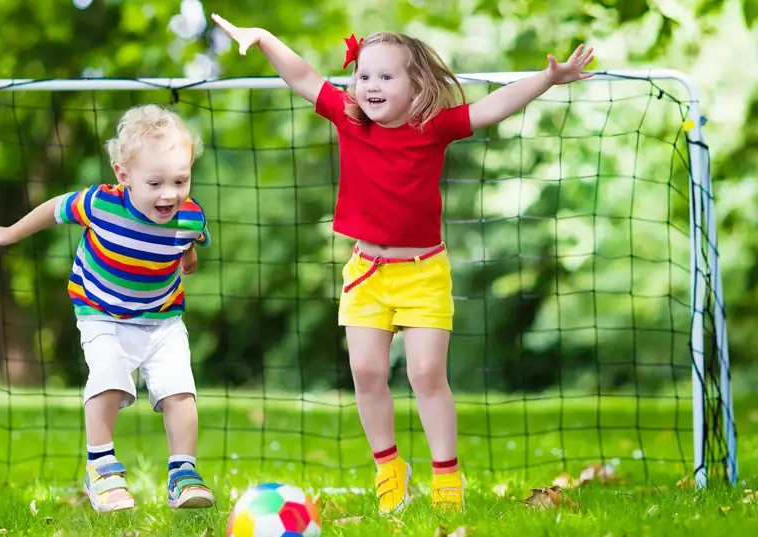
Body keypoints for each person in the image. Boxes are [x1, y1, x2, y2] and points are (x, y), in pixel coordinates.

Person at [210, 14, 594, 514]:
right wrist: (262, 38)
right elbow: (303, 76)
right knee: (366, 371)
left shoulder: (431, 127)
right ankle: (389, 469)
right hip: (366, 273)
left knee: (426, 373)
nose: (370, 85)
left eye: (386, 77)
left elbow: (490, 109)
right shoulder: (348, 117)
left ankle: (446, 478)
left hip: (423, 273)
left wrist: (547, 78)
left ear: (416, 88)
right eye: (364, 75)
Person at [0, 104, 216, 512]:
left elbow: (187, 244)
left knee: (180, 389)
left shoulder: (190, 216)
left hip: (162, 318)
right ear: (124, 176)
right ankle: (101, 469)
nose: (170, 193)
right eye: (156, 182)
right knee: (109, 377)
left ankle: (183, 473)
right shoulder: (100, 205)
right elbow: (52, 209)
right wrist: (10, 233)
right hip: (101, 311)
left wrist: (188, 259)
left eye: (180, 180)